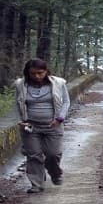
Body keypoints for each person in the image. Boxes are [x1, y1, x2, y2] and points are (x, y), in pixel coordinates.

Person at [14, 59, 71, 193]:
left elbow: (66, 102)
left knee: (53, 154)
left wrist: (60, 118)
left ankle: (55, 173)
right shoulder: (21, 85)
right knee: (33, 155)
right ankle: (36, 184)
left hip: (53, 125)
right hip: (30, 126)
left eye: (40, 73)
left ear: (46, 71)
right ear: (28, 73)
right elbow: (17, 104)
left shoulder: (58, 83)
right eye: (33, 73)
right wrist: (20, 120)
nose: (37, 76)